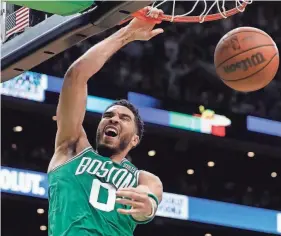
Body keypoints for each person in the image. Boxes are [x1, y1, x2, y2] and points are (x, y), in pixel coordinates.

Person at [47, 7, 164, 236]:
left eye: (124, 118)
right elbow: (76, 75)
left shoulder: (142, 177)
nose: (114, 119)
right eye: (108, 115)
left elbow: (149, 198)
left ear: (135, 139)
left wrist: (146, 206)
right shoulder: (71, 148)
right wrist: (128, 33)